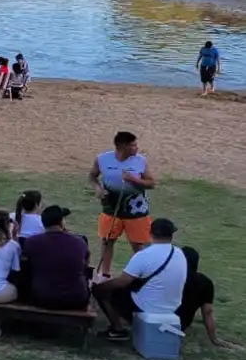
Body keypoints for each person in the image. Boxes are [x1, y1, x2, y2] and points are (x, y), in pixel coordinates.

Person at [93, 218, 186, 341]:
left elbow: (122, 282)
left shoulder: (144, 255)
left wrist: (99, 287)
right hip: (174, 306)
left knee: (103, 291)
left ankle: (118, 329)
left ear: (150, 233)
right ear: (171, 235)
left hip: (148, 306)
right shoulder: (179, 253)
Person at [88, 130, 156, 280]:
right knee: (107, 241)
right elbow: (92, 176)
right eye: (133, 145)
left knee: (138, 245)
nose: (137, 148)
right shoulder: (102, 159)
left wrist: (134, 179)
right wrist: (98, 188)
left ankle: (140, 276)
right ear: (122, 147)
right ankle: (105, 275)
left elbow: (151, 183)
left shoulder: (141, 161)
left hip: (136, 212)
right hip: (110, 209)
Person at [24, 205, 91, 310]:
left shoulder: (31, 242)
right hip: (76, 298)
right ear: (62, 222)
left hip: (43, 297)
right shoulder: (79, 242)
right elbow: (85, 266)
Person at [177, 247, 230, 347]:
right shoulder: (206, 282)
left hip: (157, 320)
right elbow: (207, 312)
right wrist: (214, 338)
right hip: (181, 324)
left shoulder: (170, 276)